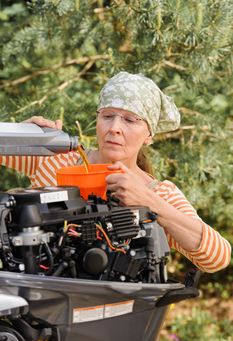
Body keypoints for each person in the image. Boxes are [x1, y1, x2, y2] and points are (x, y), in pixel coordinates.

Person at [0, 72, 231, 273]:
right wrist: (20, 133)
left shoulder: (158, 193)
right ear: (97, 118)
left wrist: (150, 202)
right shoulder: (54, 159)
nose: (114, 128)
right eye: (107, 116)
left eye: (130, 120)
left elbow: (217, 257)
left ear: (149, 135)